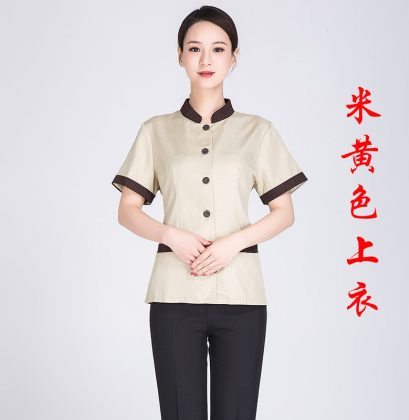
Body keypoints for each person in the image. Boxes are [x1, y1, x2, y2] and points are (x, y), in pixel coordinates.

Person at [111, 5, 308, 420]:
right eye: (194, 48)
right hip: (173, 295)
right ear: (180, 56)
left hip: (241, 295)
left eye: (218, 49)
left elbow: (283, 212)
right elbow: (128, 210)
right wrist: (172, 236)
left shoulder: (258, 131)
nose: (206, 59)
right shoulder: (155, 131)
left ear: (233, 57)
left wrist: (232, 244)